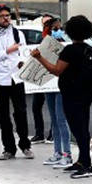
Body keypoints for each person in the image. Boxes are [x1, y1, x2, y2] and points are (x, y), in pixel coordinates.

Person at [31, 15, 92, 179]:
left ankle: (87, 164)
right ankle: (82, 160)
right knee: (83, 128)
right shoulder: (89, 49)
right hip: (85, 94)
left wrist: (39, 57)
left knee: (79, 130)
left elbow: (56, 70)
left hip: (72, 95)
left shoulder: (69, 50)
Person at [0, 3, 33, 160]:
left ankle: (25, 145)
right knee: (3, 116)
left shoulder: (18, 33)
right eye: (2, 16)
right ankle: (8, 148)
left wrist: (22, 61)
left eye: (8, 16)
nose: (6, 18)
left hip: (16, 79)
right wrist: (7, 52)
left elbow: (23, 52)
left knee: (21, 113)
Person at [39, 21, 74, 169]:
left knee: (61, 119)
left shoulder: (67, 47)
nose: (57, 32)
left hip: (61, 86)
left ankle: (67, 153)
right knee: (54, 119)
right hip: (49, 85)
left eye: (59, 29)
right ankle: (57, 152)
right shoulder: (44, 46)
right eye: (54, 29)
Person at [30, 15, 59, 144]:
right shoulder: (40, 37)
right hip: (41, 76)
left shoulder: (58, 37)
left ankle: (53, 133)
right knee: (37, 105)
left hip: (53, 76)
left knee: (53, 106)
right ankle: (39, 133)